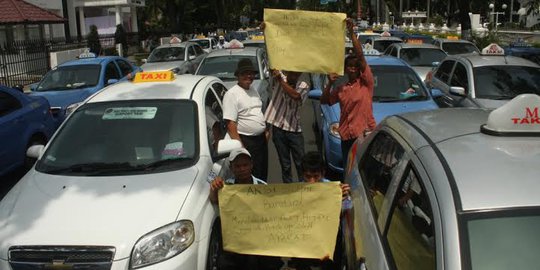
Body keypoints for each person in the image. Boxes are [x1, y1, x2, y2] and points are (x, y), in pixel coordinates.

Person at [209, 148, 282, 270]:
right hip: (236, 241)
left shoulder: (263, 187)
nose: (242, 169)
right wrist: (214, 189)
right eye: (237, 166)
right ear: (231, 168)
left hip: (259, 239)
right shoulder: (226, 188)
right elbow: (214, 200)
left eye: (245, 165)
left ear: (251, 165)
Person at [321, 18, 376, 169]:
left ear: (359, 69)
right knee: (349, 171)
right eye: (349, 66)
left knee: (364, 172)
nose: (352, 69)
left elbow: (360, 56)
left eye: (355, 67)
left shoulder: (366, 83)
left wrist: (351, 33)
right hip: (346, 137)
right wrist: (330, 83)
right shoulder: (341, 88)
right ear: (345, 69)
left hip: (364, 135)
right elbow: (324, 101)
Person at [289, 151, 351, 270]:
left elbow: (347, 210)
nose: (312, 181)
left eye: (316, 176)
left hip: (327, 240)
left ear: (323, 173)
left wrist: (345, 197)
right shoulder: (296, 192)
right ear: (302, 175)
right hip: (305, 239)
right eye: (308, 176)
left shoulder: (334, 189)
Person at [223, 58, 268, 181]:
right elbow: (230, 124)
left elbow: (257, 112)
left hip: (260, 142)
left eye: (251, 73)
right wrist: (241, 149)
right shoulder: (232, 94)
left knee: (261, 175)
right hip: (246, 141)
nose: (249, 76)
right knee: (248, 178)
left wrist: (265, 133)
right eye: (244, 73)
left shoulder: (253, 90)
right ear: (238, 76)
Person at [265, 70, 311, 183]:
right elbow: (272, 66)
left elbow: (295, 96)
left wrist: (280, 80)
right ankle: (289, 190)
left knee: (301, 163)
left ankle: (303, 188)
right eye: (292, 73)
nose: (294, 76)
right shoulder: (278, 78)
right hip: (278, 128)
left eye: (297, 74)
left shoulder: (303, 85)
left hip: (294, 129)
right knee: (285, 164)